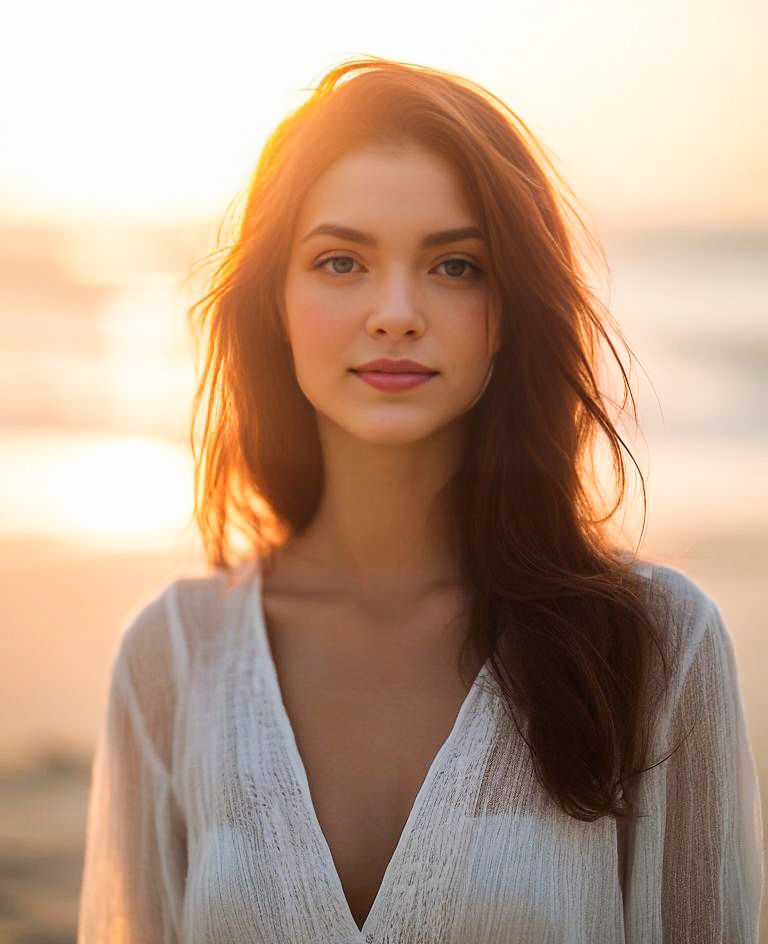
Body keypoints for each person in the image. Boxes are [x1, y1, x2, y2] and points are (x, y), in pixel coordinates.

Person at [76, 55, 764, 942]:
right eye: (339, 260)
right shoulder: (172, 658)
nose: (396, 310)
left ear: (511, 308)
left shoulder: (657, 648)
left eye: (455, 267)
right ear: (274, 302)